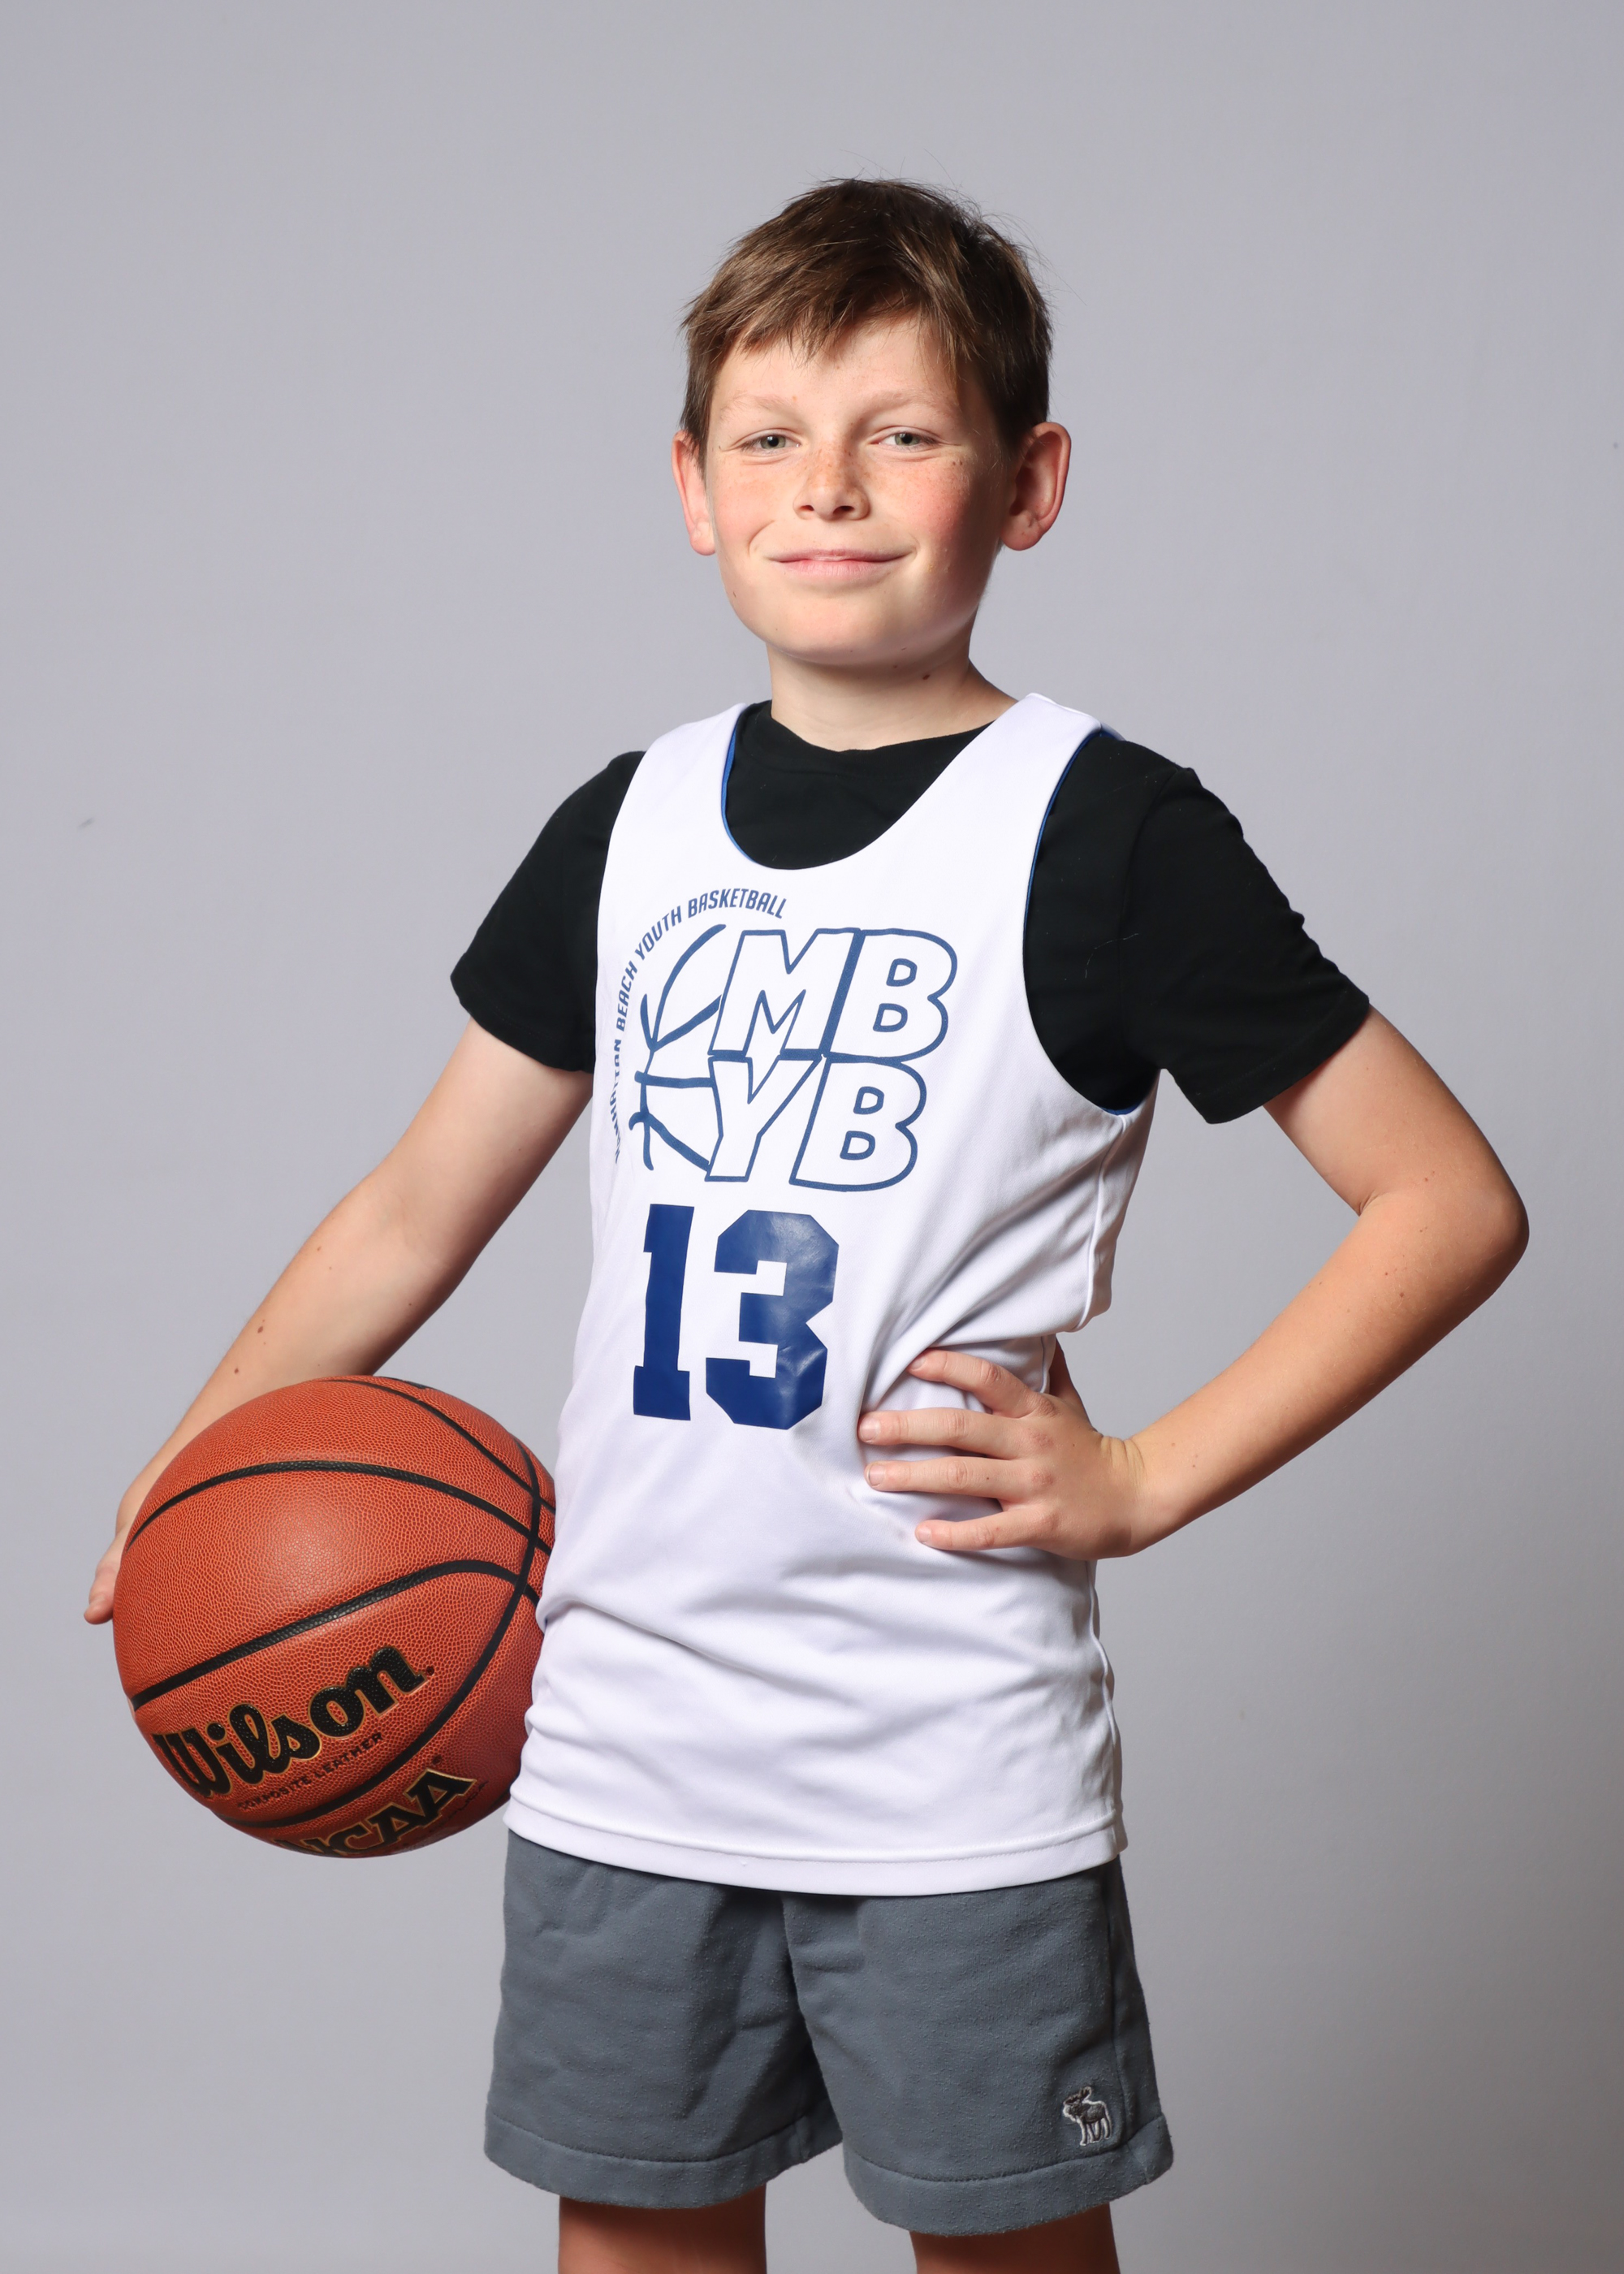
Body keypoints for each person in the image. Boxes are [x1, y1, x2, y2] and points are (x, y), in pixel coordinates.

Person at [87, 179, 1527, 2274]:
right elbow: (412, 1208)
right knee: (640, 2244)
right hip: (622, 1734)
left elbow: (1447, 1200)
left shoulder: (1106, 833)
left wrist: (1143, 1479)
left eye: (901, 433)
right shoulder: (629, 825)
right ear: (693, 489)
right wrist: (201, 1466)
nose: (827, 487)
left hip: (947, 1755)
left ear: (1028, 484)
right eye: (768, 437)